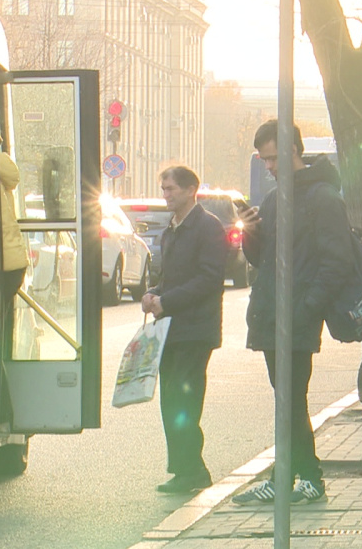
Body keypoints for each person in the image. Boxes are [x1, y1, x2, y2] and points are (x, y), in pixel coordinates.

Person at [232, 120, 353, 505]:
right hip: (272, 314)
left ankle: (302, 479)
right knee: (286, 401)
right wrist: (250, 233)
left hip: (296, 316)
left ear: (293, 151)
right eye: (263, 159)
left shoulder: (323, 197)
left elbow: (337, 263)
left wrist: (305, 310)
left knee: (290, 400)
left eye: (272, 158)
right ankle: (291, 479)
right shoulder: (274, 198)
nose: (268, 166)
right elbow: (262, 258)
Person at [142, 166, 227, 494]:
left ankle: (194, 470)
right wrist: (151, 294)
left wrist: (168, 301)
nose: (166, 195)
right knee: (171, 400)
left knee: (186, 402)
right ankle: (183, 468)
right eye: (163, 188)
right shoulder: (171, 228)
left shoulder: (207, 227)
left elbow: (209, 279)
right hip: (170, 328)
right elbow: (165, 275)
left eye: (172, 189)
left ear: (192, 189)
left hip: (195, 330)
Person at [0, 151, 29, 425]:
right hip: (0, 261)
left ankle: (4, 410)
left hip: (6, 263)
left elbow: (13, 176)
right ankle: (3, 409)